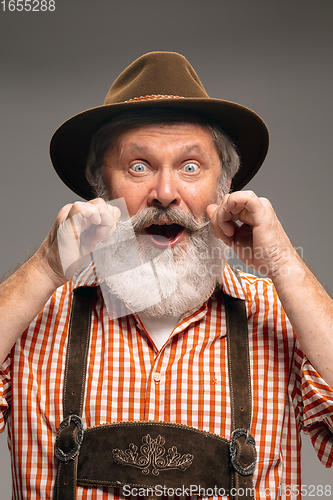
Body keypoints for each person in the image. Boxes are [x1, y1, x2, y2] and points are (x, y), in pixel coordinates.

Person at [0, 51, 332, 500]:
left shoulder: (285, 315)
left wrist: (285, 264)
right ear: (101, 188)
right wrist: (44, 268)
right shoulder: (34, 316)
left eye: (190, 167)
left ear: (224, 188)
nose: (165, 193)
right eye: (139, 167)